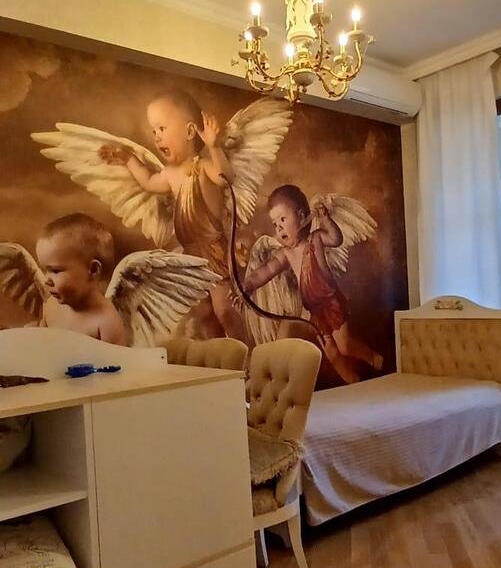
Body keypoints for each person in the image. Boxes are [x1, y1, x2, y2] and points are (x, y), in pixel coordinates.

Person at [100, 89, 238, 335]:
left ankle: (246, 350)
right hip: (191, 253)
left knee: (224, 309)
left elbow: (226, 177)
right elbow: (148, 181)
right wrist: (129, 158)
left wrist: (214, 146)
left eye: (162, 129)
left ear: (189, 132)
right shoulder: (169, 174)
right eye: (154, 131)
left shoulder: (204, 165)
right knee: (204, 313)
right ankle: (221, 354)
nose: (157, 137)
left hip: (213, 249)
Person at [245, 184, 383, 384]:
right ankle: (353, 382)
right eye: (275, 224)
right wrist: (247, 286)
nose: (279, 228)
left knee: (344, 346)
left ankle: (374, 359)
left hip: (330, 302)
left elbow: (336, 239)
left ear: (301, 216)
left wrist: (326, 221)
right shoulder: (285, 253)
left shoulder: (315, 239)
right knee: (332, 353)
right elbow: (265, 270)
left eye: (283, 219)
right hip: (316, 311)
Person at [35, 213, 128, 344]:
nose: (46, 280)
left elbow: (117, 357)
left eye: (55, 271)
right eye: (45, 270)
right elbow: (43, 345)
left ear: (93, 270)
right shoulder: (51, 306)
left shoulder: (106, 322)